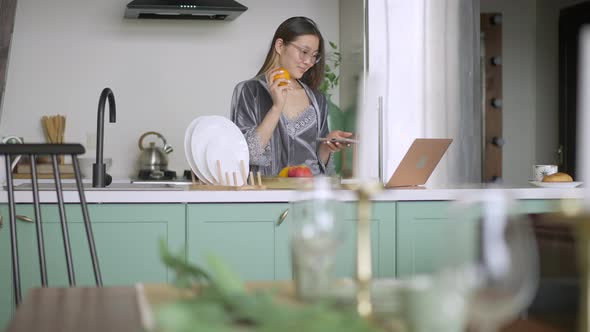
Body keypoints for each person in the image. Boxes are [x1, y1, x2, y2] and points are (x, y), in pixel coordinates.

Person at [230, 16, 353, 176]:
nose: (309, 61)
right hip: (265, 197)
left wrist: (327, 146)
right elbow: (245, 155)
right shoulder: (248, 91)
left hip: (307, 196)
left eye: (314, 55)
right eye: (304, 52)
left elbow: (319, 165)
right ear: (280, 46)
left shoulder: (318, 100)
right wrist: (276, 107)